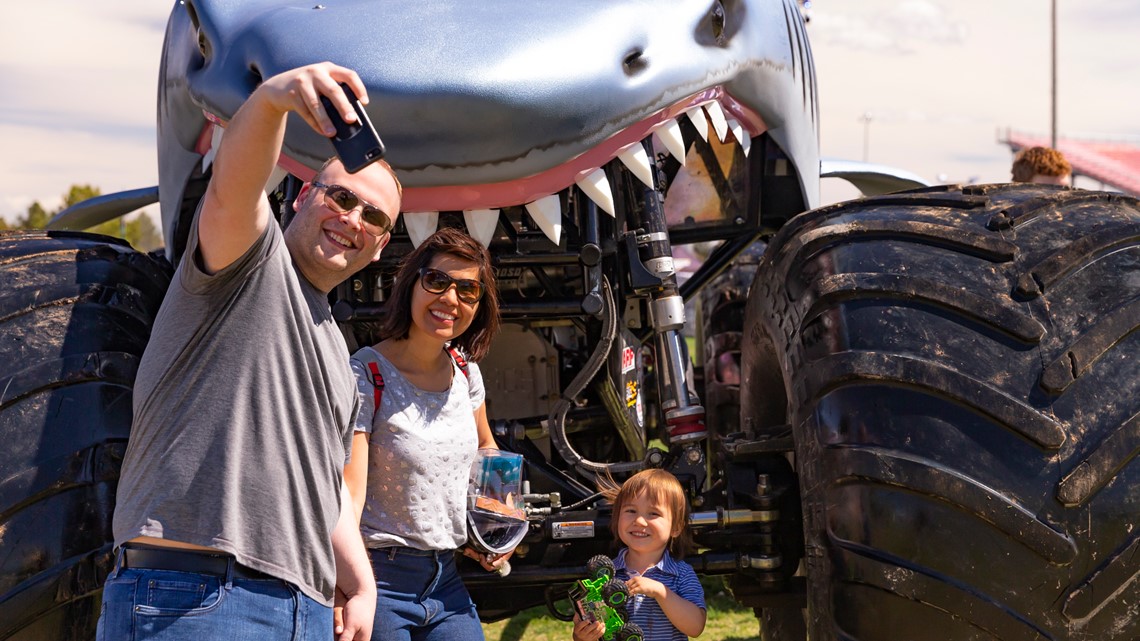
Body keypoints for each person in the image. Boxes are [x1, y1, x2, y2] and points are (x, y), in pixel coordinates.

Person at [98, 63, 398, 641]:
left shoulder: (338, 351)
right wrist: (271, 101)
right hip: (196, 596)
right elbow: (233, 190)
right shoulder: (249, 265)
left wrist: (359, 583)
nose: (352, 219)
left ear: (381, 247)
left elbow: (321, 482)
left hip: (302, 610)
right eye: (341, 196)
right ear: (302, 196)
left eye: (374, 217)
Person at [345, 226, 507, 641]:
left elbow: (486, 449)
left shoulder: (466, 371)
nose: (451, 299)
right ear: (411, 283)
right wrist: (346, 586)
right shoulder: (367, 374)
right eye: (437, 281)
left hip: (446, 577)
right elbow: (349, 495)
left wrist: (496, 524)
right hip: (379, 577)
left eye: (467, 290)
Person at [573, 469, 706, 641]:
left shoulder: (681, 574)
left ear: (676, 527)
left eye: (653, 514)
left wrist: (661, 592)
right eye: (631, 511)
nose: (639, 521)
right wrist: (582, 635)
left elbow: (695, 627)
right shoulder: (605, 576)